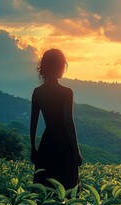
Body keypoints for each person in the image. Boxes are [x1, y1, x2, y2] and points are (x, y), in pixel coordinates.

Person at [30, 49, 83, 190]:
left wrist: (33, 149)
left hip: (47, 144)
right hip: (65, 145)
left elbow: (33, 123)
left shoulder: (38, 92)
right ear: (60, 66)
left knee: (44, 186)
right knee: (67, 187)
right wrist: (76, 151)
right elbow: (68, 122)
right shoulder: (66, 92)